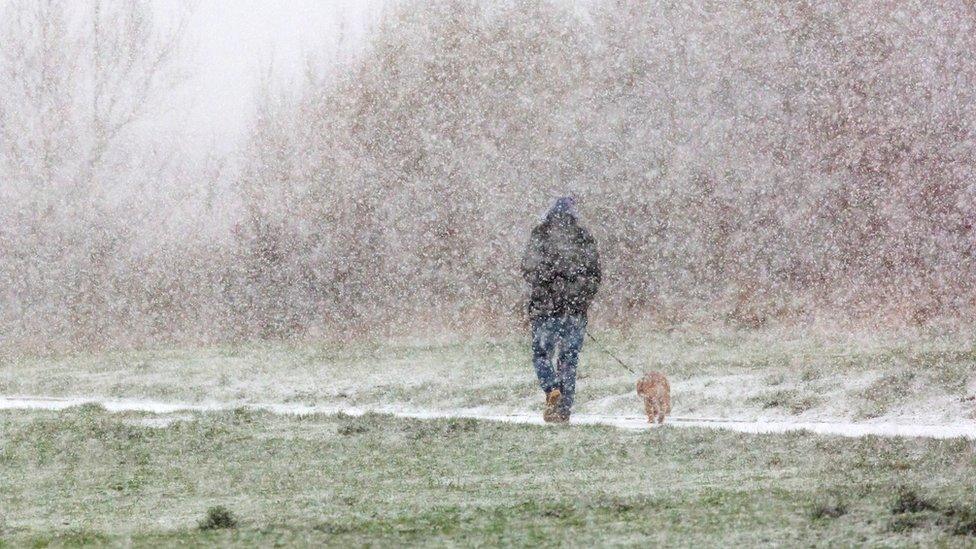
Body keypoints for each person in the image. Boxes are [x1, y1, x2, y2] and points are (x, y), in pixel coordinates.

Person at [521, 196, 601, 423]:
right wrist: (580, 298)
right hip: (574, 312)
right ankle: (563, 410)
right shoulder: (583, 237)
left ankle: (551, 388)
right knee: (568, 360)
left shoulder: (540, 235)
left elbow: (528, 269)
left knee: (541, 354)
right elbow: (595, 275)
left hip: (545, 310)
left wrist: (546, 286)